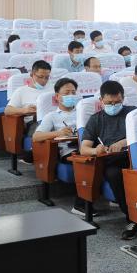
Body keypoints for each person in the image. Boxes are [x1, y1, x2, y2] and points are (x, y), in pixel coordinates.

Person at [79, 81, 137, 235]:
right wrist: (95, 150)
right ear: (101, 100)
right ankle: (133, 218)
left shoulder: (133, 113)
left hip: (134, 156)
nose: (114, 105)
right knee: (114, 174)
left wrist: (123, 142)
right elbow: (84, 149)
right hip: (112, 160)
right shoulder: (95, 119)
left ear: (123, 99)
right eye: (109, 103)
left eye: (118, 102)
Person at [33, 77, 85, 214]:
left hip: (86, 146)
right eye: (67, 93)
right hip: (69, 151)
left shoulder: (83, 112)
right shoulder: (51, 116)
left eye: (73, 92)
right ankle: (80, 205)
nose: (71, 96)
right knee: (85, 162)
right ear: (57, 96)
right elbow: (36, 136)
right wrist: (58, 132)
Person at [6, 60, 52, 140]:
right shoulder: (21, 91)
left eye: (47, 77)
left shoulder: (53, 88)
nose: (44, 80)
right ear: (31, 74)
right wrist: (24, 110)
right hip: (35, 123)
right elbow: (7, 110)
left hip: (55, 119)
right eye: (40, 77)